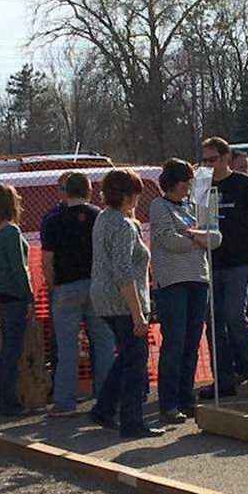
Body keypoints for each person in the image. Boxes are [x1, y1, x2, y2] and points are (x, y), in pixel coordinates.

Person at [89, 169, 164, 438]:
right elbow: (124, 271)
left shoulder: (102, 218)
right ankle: (132, 421)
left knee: (127, 357)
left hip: (103, 298)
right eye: (135, 194)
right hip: (123, 302)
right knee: (136, 361)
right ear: (128, 195)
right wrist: (138, 315)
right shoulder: (123, 225)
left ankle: (104, 408)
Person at [150, 159, 222, 423]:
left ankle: (186, 398)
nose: (188, 188)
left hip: (199, 278)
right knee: (175, 341)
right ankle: (168, 403)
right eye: (184, 183)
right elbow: (169, 241)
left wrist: (191, 233)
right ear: (172, 183)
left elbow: (215, 238)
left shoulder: (197, 205)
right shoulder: (159, 206)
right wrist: (197, 237)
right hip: (172, 282)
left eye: (190, 183)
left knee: (192, 342)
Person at [199, 137, 248, 399]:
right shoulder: (202, 185)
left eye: (213, 160)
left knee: (233, 315)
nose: (208, 165)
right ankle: (224, 380)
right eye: (204, 160)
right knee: (213, 322)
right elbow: (197, 219)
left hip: (240, 260)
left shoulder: (243, 184)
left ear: (226, 158)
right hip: (211, 261)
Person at [41, 173, 115, 418]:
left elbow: (47, 260)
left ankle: (65, 402)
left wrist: (53, 286)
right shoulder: (100, 216)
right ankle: (105, 397)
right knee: (103, 342)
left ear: (65, 191)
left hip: (66, 286)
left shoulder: (52, 220)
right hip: (97, 284)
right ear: (89, 190)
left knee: (67, 347)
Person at [0, 184, 35, 416]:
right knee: (12, 350)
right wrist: (29, 297)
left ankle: (0, 399)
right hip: (13, 294)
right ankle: (9, 403)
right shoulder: (11, 231)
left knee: (7, 347)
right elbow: (19, 268)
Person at [39, 172, 72, 393]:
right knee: (61, 342)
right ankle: (58, 388)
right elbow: (47, 258)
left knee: (64, 341)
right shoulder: (52, 217)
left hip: (64, 286)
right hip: (63, 284)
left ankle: (63, 393)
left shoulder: (52, 217)